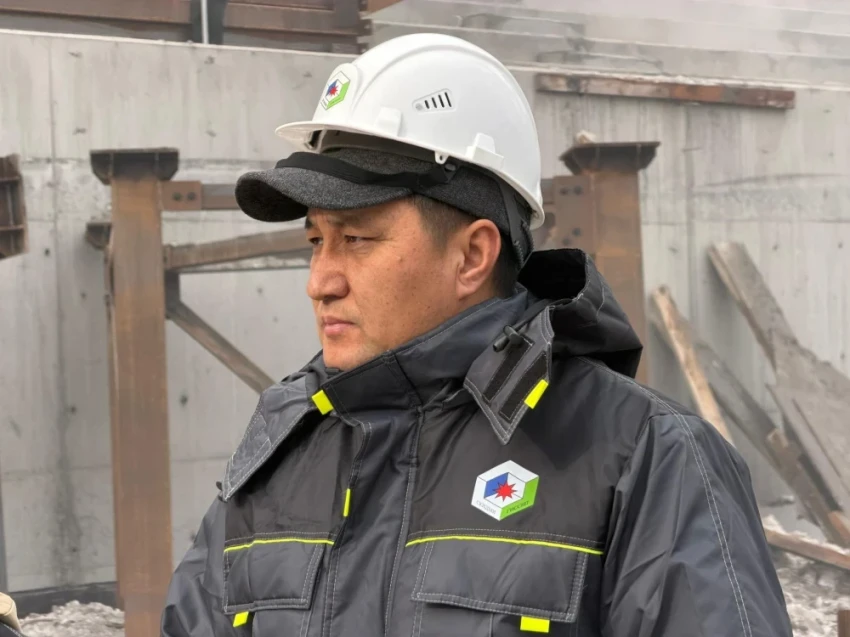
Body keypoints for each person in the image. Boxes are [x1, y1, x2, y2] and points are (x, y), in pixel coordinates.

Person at [161, 33, 793, 636]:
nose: (320, 282)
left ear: (471, 256)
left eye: (355, 238)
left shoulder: (646, 457)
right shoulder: (279, 454)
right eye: (315, 241)